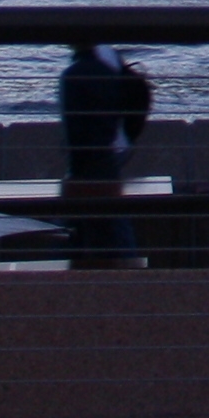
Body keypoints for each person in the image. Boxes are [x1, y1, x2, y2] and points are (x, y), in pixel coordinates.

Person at [57, 43, 154, 265]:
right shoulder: (112, 64)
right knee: (112, 227)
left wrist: (76, 170)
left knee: (83, 229)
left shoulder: (76, 74)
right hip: (110, 154)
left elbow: (78, 131)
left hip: (91, 161)